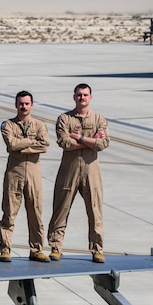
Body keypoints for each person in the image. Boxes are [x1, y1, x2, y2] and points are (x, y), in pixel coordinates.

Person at [48, 83, 109, 262]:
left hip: (91, 170)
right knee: (61, 208)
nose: (82, 98)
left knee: (95, 210)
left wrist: (79, 138)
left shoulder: (99, 119)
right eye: (79, 95)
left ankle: (97, 249)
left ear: (91, 97)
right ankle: (55, 246)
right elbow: (64, 142)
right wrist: (90, 141)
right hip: (69, 169)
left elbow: (103, 144)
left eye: (85, 95)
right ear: (74, 97)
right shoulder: (64, 119)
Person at [0, 91, 50, 263]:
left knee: (35, 212)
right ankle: (5, 249)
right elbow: (11, 144)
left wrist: (22, 145)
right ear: (16, 105)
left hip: (33, 173)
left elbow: (44, 145)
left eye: (27, 104)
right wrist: (30, 141)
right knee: (9, 213)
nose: (24, 106)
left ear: (32, 105)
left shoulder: (40, 125)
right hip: (14, 173)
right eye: (21, 103)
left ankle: (37, 249)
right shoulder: (8, 125)